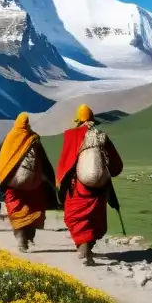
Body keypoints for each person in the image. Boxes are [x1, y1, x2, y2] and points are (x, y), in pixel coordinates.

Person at [56, 104, 124, 265]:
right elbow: (115, 162)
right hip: (100, 186)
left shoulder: (71, 135)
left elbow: (67, 160)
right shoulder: (101, 135)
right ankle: (87, 249)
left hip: (80, 184)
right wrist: (109, 174)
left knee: (75, 216)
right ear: (92, 119)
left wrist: (64, 179)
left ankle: (84, 251)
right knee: (95, 217)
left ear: (79, 120)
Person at [0, 113, 58, 252]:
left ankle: (20, 238)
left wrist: (2, 179)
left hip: (12, 181)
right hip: (32, 182)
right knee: (33, 206)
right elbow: (44, 163)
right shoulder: (34, 139)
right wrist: (50, 182)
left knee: (15, 207)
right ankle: (29, 235)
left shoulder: (8, 138)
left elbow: (2, 159)